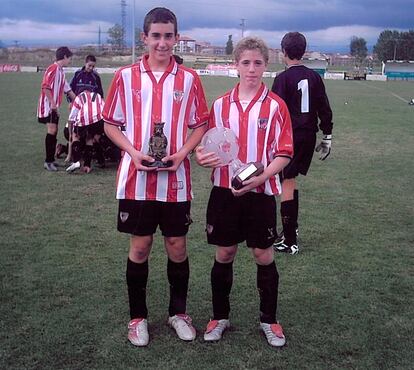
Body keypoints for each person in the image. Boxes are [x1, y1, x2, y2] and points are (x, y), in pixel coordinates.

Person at [102, 7, 209, 347]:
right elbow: (110, 123)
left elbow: (200, 123)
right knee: (141, 245)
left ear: (176, 38)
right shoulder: (125, 76)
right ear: (144, 37)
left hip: (176, 179)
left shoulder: (189, 79)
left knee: (177, 246)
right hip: (136, 178)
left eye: (168, 35)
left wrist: (183, 153)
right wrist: (133, 153)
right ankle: (138, 319)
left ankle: (179, 313)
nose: (162, 43)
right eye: (156, 36)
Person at [195, 37, 293, 347]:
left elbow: (285, 152)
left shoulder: (276, 105)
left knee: (262, 254)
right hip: (224, 190)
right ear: (236, 65)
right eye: (246, 62)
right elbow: (206, 145)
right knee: (224, 252)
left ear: (266, 65)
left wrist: (262, 175)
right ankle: (219, 316)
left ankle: (269, 320)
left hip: (260, 191)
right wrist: (200, 155)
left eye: (258, 63)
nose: (252, 69)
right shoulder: (221, 105)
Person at [271, 32, 333, 255]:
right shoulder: (314, 77)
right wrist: (327, 136)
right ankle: (290, 231)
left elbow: (274, 112)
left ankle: (290, 240)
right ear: (304, 52)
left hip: (291, 136)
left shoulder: (282, 79)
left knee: (286, 181)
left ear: (283, 52)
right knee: (290, 179)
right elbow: (324, 108)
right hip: (309, 136)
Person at [37, 46, 76, 171]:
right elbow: (45, 86)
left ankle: (51, 160)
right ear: (64, 57)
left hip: (53, 107)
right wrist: (53, 103)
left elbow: (67, 89)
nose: (70, 61)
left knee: (54, 130)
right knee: (52, 130)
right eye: (69, 58)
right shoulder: (53, 68)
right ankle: (48, 162)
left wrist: (79, 101)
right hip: (48, 107)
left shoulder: (60, 71)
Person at [65, 88, 105, 173]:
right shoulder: (97, 96)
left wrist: (70, 134)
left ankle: (76, 161)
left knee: (76, 136)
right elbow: (104, 109)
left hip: (84, 118)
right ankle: (87, 166)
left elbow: (71, 118)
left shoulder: (79, 97)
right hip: (98, 119)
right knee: (89, 139)